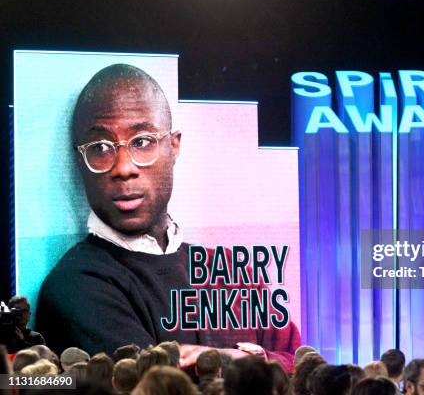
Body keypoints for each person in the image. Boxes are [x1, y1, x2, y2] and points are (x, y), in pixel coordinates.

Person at [35, 64, 299, 368]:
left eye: (143, 141)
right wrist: (257, 363)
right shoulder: (76, 286)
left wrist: (240, 363)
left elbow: (308, 367)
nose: (123, 168)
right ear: (80, 161)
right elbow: (160, 384)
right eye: (101, 147)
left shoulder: (229, 269)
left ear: (173, 147)